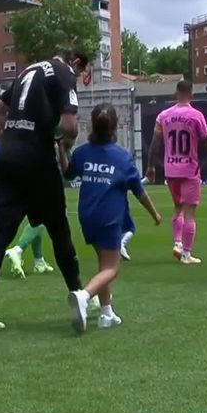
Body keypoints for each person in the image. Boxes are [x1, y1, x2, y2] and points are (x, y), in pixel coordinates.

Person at [0, 47, 91, 330]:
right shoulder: (64, 73)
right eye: (80, 68)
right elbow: (70, 126)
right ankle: (81, 295)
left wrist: (6, 144)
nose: (79, 73)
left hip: (7, 158)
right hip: (37, 159)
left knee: (2, 234)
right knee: (59, 230)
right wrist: (62, 144)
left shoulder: (27, 71)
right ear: (73, 61)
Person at [61, 104, 161, 332]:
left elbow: (67, 172)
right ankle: (84, 296)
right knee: (112, 268)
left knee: (103, 264)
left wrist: (61, 149)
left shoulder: (83, 152)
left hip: (87, 216)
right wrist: (154, 213)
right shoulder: (122, 158)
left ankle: (107, 314)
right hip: (108, 219)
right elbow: (139, 192)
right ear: (115, 127)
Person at [145, 79, 207, 264]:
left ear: (176, 93)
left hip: (170, 168)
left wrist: (150, 166)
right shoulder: (196, 115)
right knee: (190, 211)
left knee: (177, 208)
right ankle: (187, 254)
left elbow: (155, 143)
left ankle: (177, 242)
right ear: (191, 93)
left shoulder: (163, 116)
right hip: (190, 169)